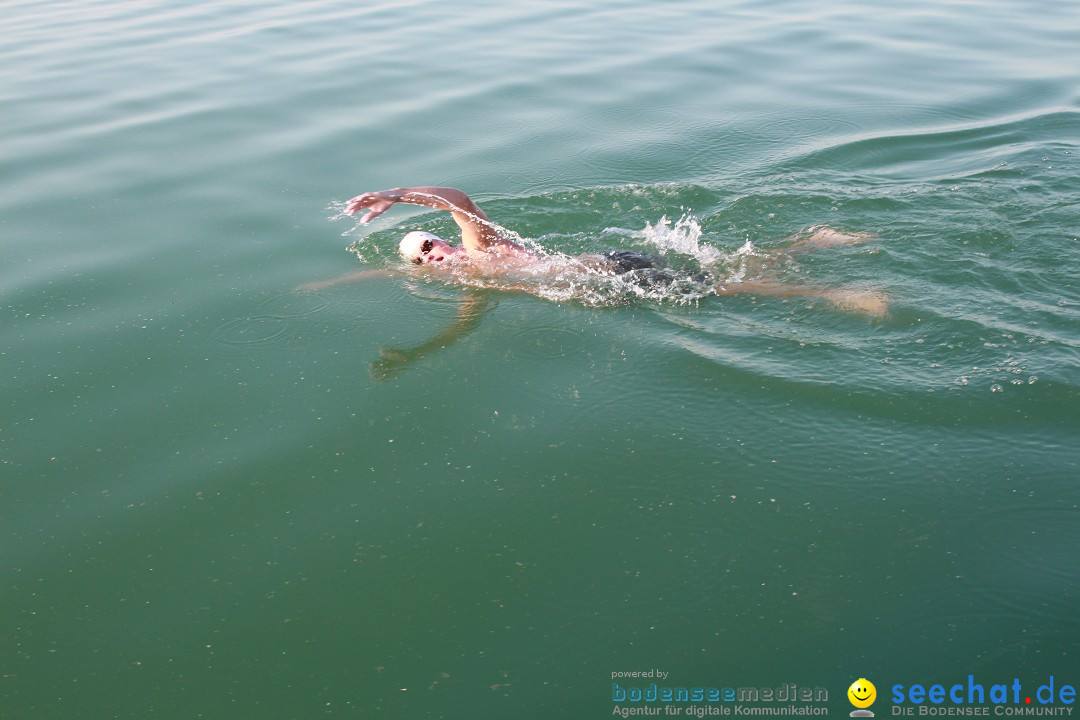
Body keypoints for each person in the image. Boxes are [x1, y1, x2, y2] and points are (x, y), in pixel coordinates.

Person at [338, 185, 888, 317]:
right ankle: (814, 244)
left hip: (607, 271)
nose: (432, 255)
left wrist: (395, 195)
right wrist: (328, 284)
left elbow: (456, 199)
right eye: (421, 258)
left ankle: (838, 294)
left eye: (429, 243)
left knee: (720, 284)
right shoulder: (460, 282)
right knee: (726, 268)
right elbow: (389, 282)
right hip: (609, 271)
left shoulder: (480, 249)